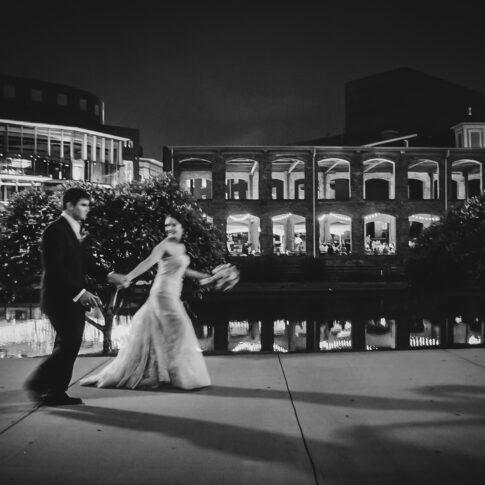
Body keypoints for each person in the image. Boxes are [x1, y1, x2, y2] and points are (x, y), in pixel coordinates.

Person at [80, 215, 217, 390]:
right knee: (181, 329)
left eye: (173, 225)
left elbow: (183, 269)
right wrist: (128, 277)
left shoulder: (180, 247)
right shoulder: (164, 245)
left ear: (182, 226)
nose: (169, 229)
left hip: (173, 293)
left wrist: (205, 276)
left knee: (165, 334)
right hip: (163, 293)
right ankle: (182, 376)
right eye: (167, 225)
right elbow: (147, 263)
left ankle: (168, 374)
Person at [24, 188, 125, 406]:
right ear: (69, 205)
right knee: (69, 343)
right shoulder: (54, 231)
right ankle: (39, 383)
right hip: (59, 297)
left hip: (71, 298)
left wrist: (109, 275)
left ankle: (54, 392)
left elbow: (85, 263)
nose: (87, 209)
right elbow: (55, 269)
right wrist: (80, 293)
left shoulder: (74, 230)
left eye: (88, 205)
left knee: (68, 344)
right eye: (83, 205)